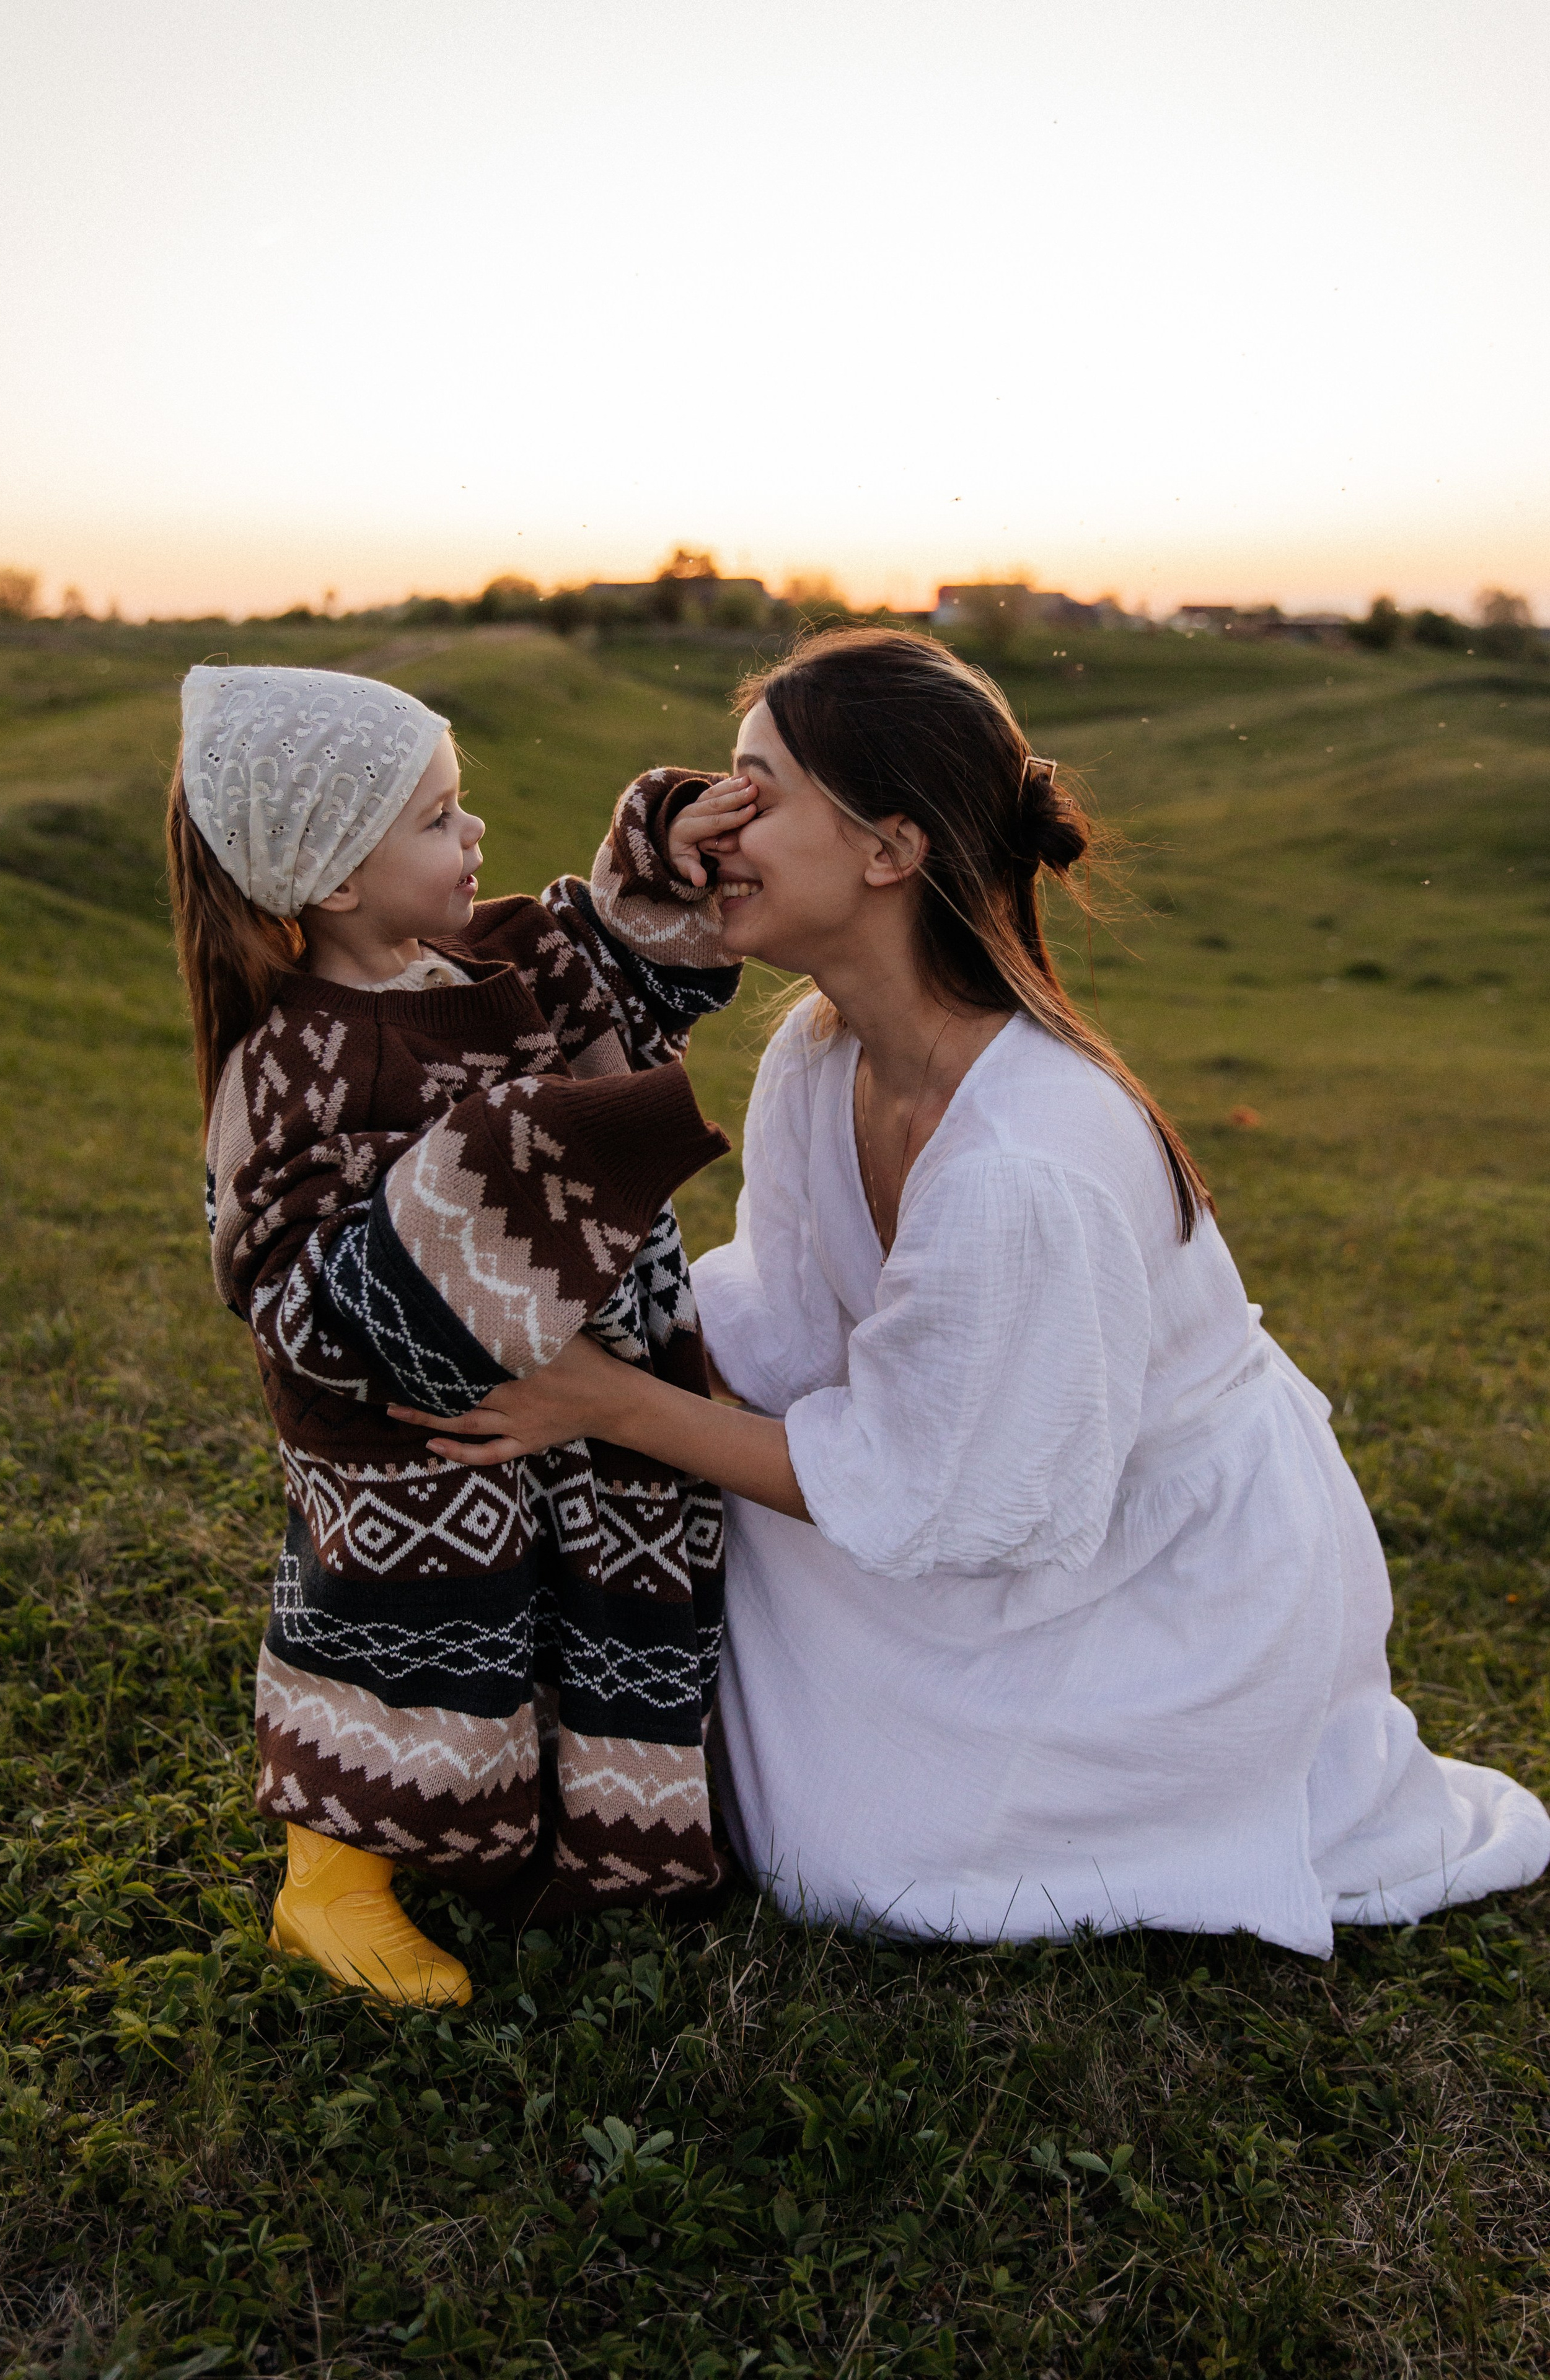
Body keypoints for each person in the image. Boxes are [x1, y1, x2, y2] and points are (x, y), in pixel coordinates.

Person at [400, 627, 1550, 1957]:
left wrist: (605, 1402)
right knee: (682, 1591)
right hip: (954, 1479)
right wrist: (564, 1317)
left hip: (1138, 1563)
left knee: (854, 1860)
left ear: (890, 849)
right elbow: (779, 1332)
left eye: (758, 788)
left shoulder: (1025, 1161)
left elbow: (958, 1493)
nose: (713, 824)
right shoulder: (816, 1063)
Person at [167, 663, 751, 2004]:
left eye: (462, 803)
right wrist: (509, 1161)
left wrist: (666, 842)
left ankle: (593, 1842)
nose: (473, 835)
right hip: (418, 1447)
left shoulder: (487, 958)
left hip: (583, 1390)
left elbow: (605, 952)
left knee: (589, 1609)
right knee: (416, 1643)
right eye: (436, 820)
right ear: (327, 883)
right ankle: (332, 1879)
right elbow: (291, 1283)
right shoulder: (298, 1059)